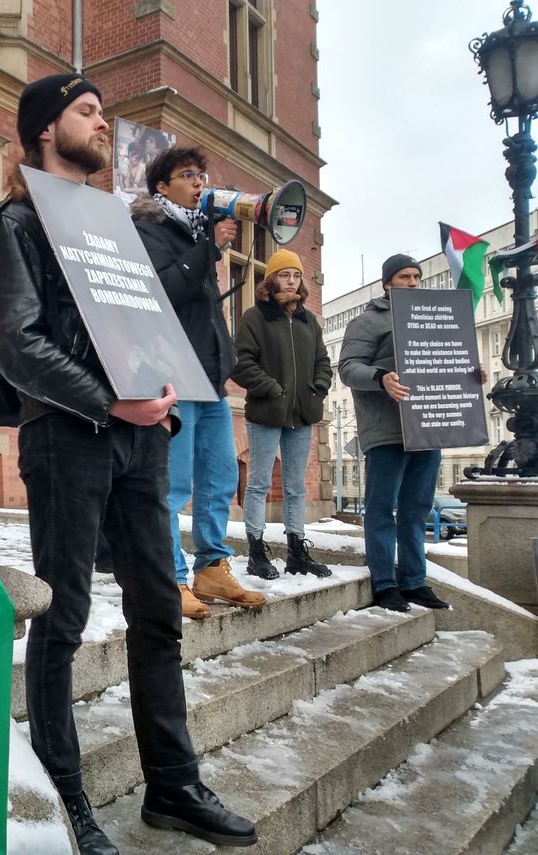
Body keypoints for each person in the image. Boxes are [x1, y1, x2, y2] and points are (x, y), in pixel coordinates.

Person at [0, 73, 257, 853]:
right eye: (86, 112)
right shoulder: (14, 225)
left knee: (157, 607)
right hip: (66, 436)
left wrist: (158, 391)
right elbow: (19, 343)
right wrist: (105, 399)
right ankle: (69, 802)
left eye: (101, 112)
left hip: (139, 437)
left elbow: (144, 320)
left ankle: (173, 784)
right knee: (59, 619)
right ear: (44, 129)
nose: (103, 125)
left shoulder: (113, 227)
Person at [131, 146, 266, 620]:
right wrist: (208, 248)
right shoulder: (148, 230)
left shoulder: (196, 233)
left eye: (202, 174)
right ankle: (173, 577)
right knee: (173, 482)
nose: (199, 182)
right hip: (173, 374)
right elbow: (164, 290)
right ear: (162, 187)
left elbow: (205, 311)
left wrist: (230, 361)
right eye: (187, 175)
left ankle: (212, 566)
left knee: (220, 477)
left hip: (209, 378)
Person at [338, 254, 473, 612]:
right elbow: (349, 369)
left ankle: (415, 581)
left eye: (416, 276)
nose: (413, 282)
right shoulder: (367, 321)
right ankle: (384, 583)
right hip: (386, 429)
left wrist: (470, 378)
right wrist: (381, 378)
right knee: (382, 507)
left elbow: (448, 358)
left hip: (429, 425)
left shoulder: (432, 318)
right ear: (387, 283)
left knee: (417, 508)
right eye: (403, 276)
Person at [232, 249, 333, 580]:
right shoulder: (255, 317)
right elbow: (242, 362)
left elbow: (323, 362)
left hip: (302, 415)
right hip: (266, 412)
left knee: (295, 487)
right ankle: (256, 551)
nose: (292, 280)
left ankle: (296, 551)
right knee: (259, 483)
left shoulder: (308, 321)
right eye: (285, 274)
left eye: (297, 275)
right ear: (271, 278)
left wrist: (316, 390)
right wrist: (272, 389)